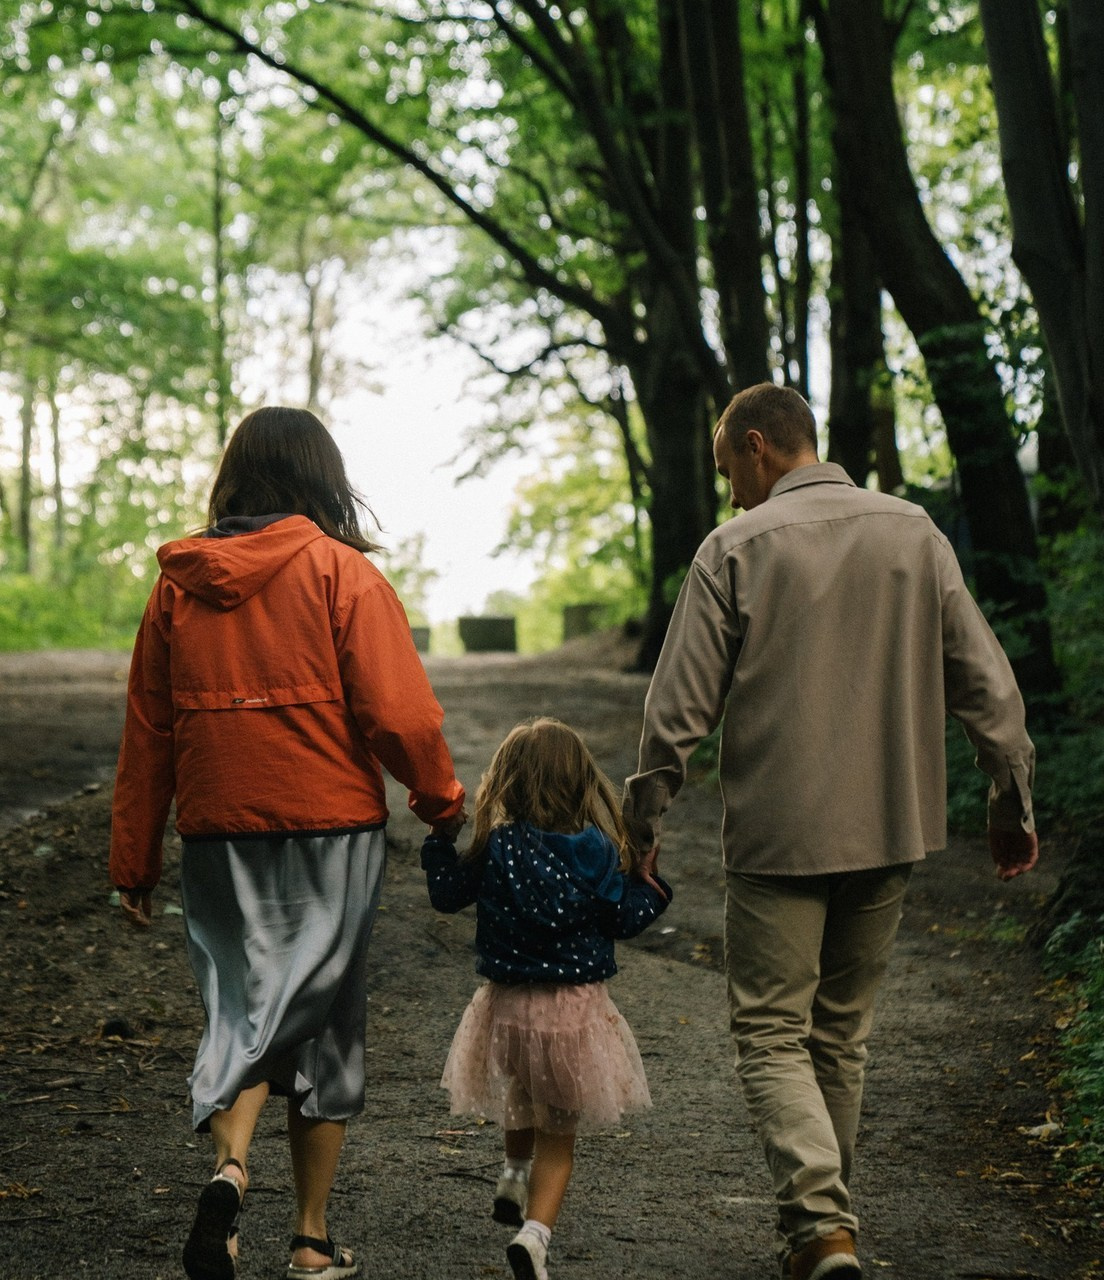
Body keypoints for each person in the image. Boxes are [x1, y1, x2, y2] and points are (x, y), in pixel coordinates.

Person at [622, 383, 1039, 1280]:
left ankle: (819, 1228)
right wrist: (1012, 796)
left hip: (779, 833)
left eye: (729, 462)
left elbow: (678, 707)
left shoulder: (734, 548)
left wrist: (645, 813)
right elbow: (986, 681)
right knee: (838, 1036)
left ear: (761, 445)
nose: (729, 485)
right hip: (891, 824)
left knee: (773, 1034)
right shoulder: (914, 532)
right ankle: (824, 1235)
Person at [109, 405, 466, 1280]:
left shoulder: (177, 587)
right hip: (330, 824)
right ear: (322, 477)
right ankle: (309, 1239)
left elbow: (147, 732)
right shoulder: (344, 576)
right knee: (325, 1018)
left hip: (217, 828)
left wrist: (135, 860)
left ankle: (229, 1172)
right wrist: (445, 806)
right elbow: (401, 714)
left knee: (242, 1003)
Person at [421, 717, 671, 1280]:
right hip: (574, 1015)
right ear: (583, 782)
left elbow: (446, 894)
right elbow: (627, 921)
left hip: (507, 1011)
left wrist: (439, 841)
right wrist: (649, 883)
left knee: (519, 1088)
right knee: (559, 1132)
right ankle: (534, 1238)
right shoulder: (600, 853)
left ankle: (512, 1170)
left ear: (506, 783)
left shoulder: (495, 847)